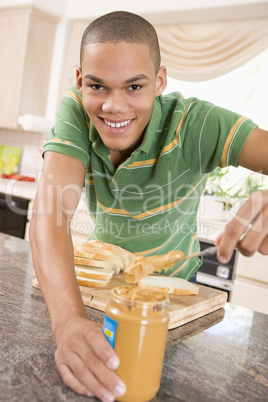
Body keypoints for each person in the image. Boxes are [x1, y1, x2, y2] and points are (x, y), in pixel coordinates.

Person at [29, 10, 268, 402]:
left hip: (174, 294)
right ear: (79, 81)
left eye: (134, 87)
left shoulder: (197, 124)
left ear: (159, 82)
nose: (114, 107)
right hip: (100, 292)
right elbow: (49, 217)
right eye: (98, 86)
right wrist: (69, 322)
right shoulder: (75, 110)